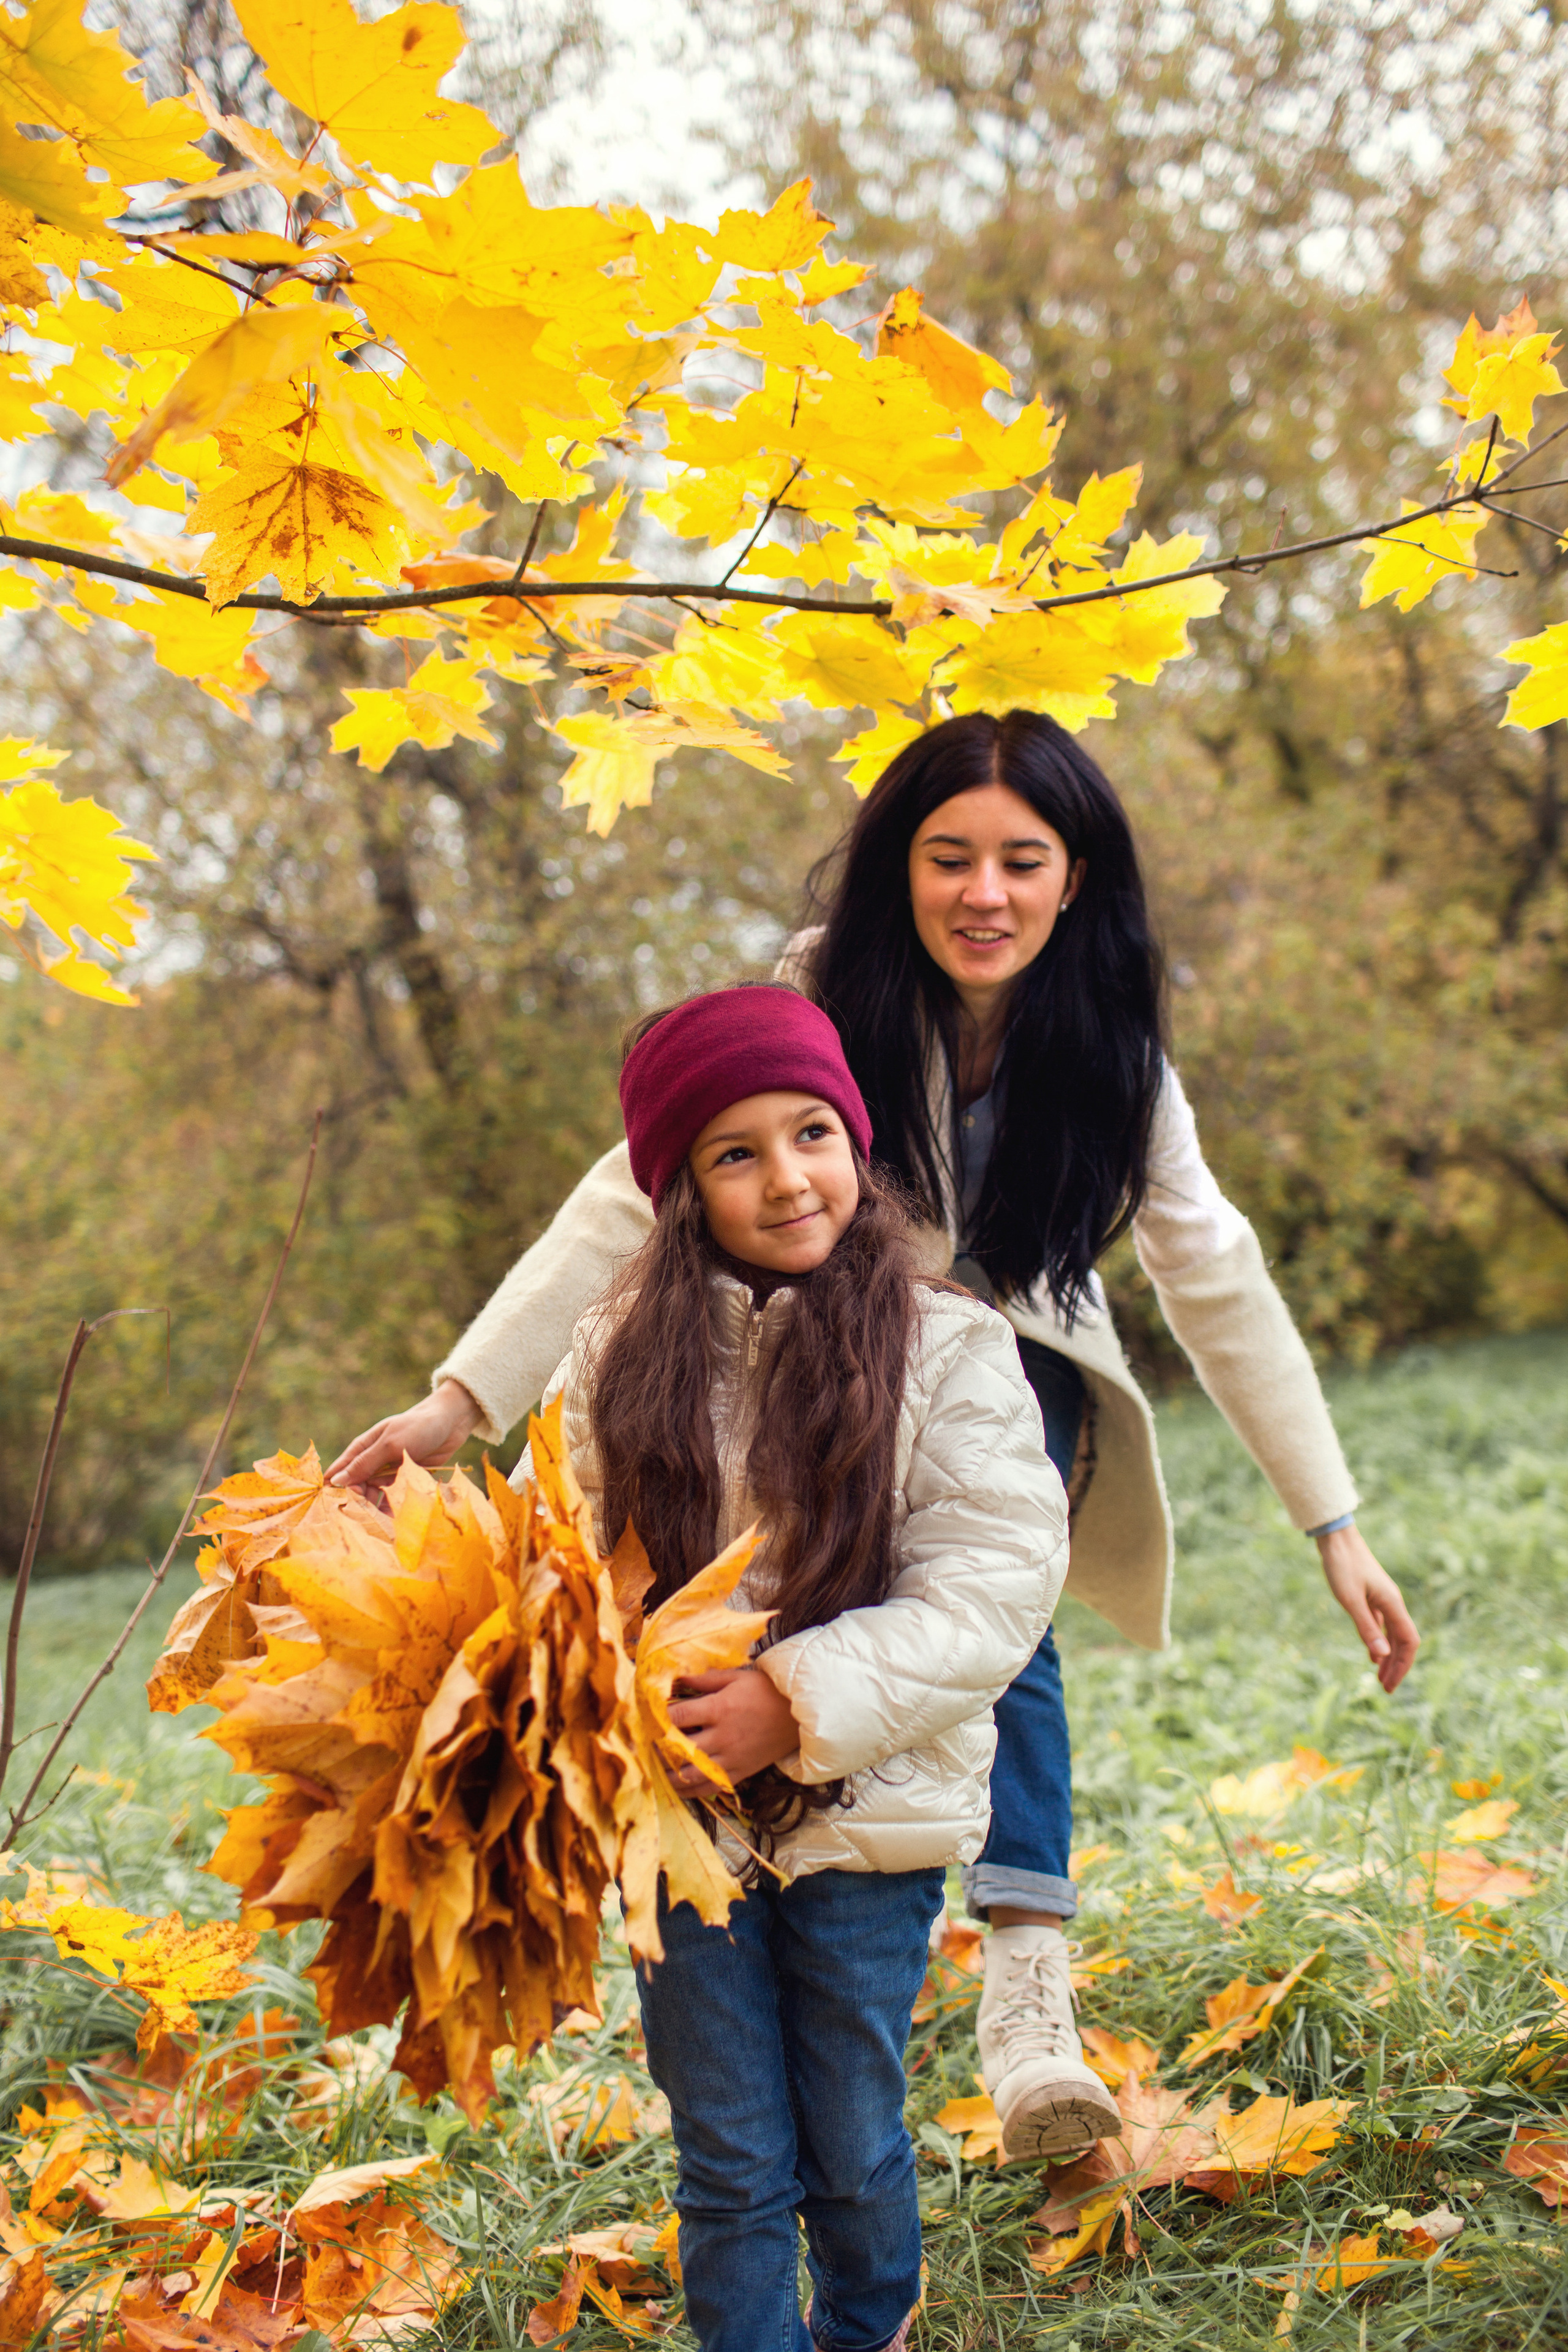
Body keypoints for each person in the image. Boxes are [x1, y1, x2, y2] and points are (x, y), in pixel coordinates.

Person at [330, 709, 1420, 2163]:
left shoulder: (1112, 1043)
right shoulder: (820, 991)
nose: (985, 894)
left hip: (1006, 1380)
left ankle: (1029, 2004)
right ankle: (774, 1917)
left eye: (1021, 861)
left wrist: (1330, 1524)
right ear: (896, 872)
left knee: (994, 1623)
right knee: (797, 1640)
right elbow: (626, 1193)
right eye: (946, 857)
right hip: (804, 1367)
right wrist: (460, 1400)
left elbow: (1208, 1266)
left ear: (1072, 877)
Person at [516, 984, 1066, 2352]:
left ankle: (867, 2326)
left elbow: (992, 1584)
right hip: (679, 1827)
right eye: (733, 1153)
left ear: (855, 1141)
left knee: (845, 2134)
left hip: (866, 1822)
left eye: (809, 1133)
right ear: (679, 1189)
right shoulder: (613, 1357)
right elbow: (571, 1567)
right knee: (730, 2156)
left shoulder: (947, 1347)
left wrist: (796, 1701)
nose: (784, 1179)